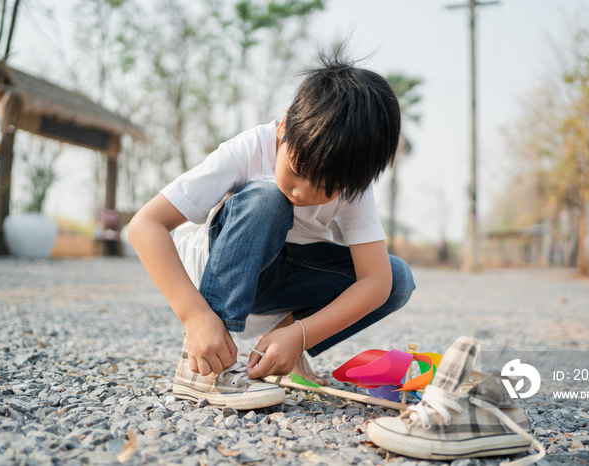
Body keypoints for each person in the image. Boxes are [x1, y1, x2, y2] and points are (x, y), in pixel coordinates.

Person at [128, 49, 416, 410]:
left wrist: (299, 334)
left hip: (284, 280)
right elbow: (145, 225)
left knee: (397, 277)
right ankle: (202, 365)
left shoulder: (352, 180)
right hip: (217, 277)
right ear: (283, 127)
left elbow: (377, 281)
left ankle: (281, 352)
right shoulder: (249, 149)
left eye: (327, 188)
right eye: (296, 170)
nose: (303, 192)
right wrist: (195, 316)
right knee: (270, 199)